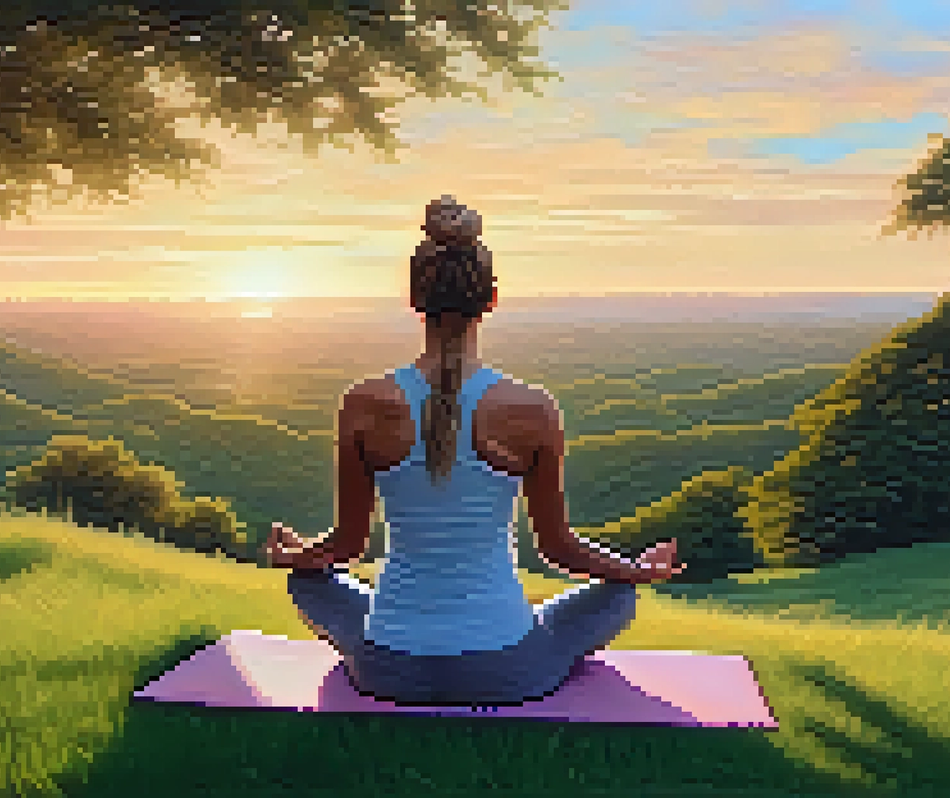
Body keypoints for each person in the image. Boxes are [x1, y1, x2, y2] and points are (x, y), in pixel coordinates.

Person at [263, 195, 684, 706]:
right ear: (492, 300)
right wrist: (639, 569)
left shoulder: (363, 403)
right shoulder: (532, 408)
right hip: (506, 670)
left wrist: (297, 554)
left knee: (310, 584)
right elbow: (558, 549)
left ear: (414, 300)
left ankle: (387, 636)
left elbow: (346, 546)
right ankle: (536, 623)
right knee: (617, 593)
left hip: (386, 669)